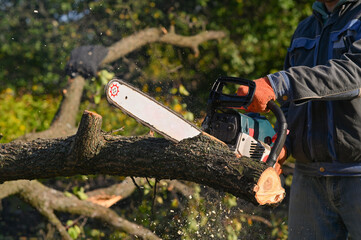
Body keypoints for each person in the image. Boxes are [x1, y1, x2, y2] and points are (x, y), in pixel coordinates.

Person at [238, 0, 361, 239]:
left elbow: (354, 74)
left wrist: (278, 83)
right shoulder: (306, 29)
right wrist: (282, 144)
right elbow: (289, 104)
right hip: (310, 179)